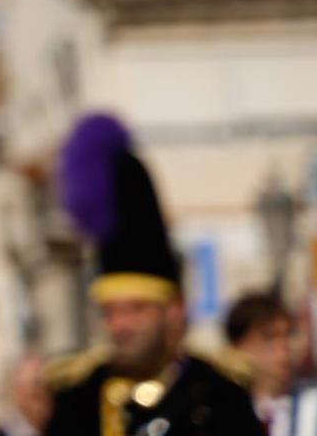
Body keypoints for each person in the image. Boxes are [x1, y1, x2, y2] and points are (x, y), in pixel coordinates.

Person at [45, 113, 261, 436]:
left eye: (136, 309)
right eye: (110, 312)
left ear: (173, 310)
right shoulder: (78, 399)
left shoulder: (219, 395)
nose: (120, 326)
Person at [224, 292, 298, 434]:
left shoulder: (307, 408)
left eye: (288, 335)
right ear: (239, 345)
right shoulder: (224, 412)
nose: (284, 346)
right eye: (269, 337)